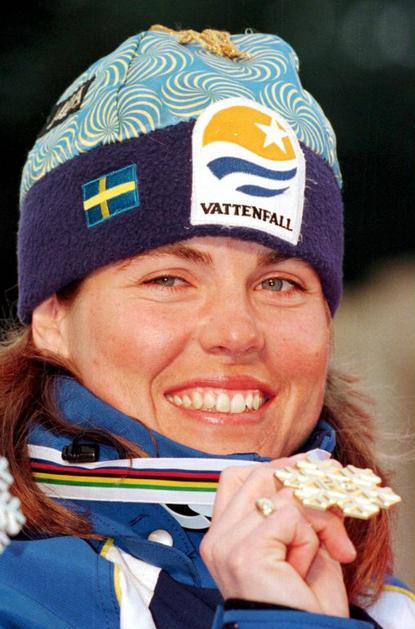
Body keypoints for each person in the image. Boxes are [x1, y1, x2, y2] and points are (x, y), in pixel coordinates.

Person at [0, 25, 413, 628]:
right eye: (169, 279)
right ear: (52, 316)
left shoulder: (391, 608)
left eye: (280, 284)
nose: (237, 333)